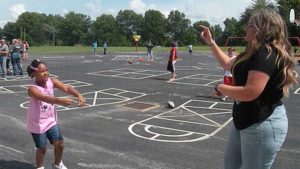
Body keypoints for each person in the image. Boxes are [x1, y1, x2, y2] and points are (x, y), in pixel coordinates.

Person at [200, 9, 298, 169]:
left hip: (262, 122)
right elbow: (227, 64)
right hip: (245, 120)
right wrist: (211, 42)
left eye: (250, 25)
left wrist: (220, 87)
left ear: (262, 29)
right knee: (231, 165)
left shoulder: (265, 54)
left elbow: (250, 92)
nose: (245, 28)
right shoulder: (252, 52)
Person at [26, 59, 85, 169]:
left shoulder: (51, 81)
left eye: (47, 70)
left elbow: (66, 88)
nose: (46, 73)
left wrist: (78, 95)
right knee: (42, 148)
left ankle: (57, 164)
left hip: (50, 120)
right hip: (37, 122)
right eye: (42, 71)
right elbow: (44, 98)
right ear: (34, 73)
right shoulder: (32, 89)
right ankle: (40, 167)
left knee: (60, 144)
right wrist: (61, 101)